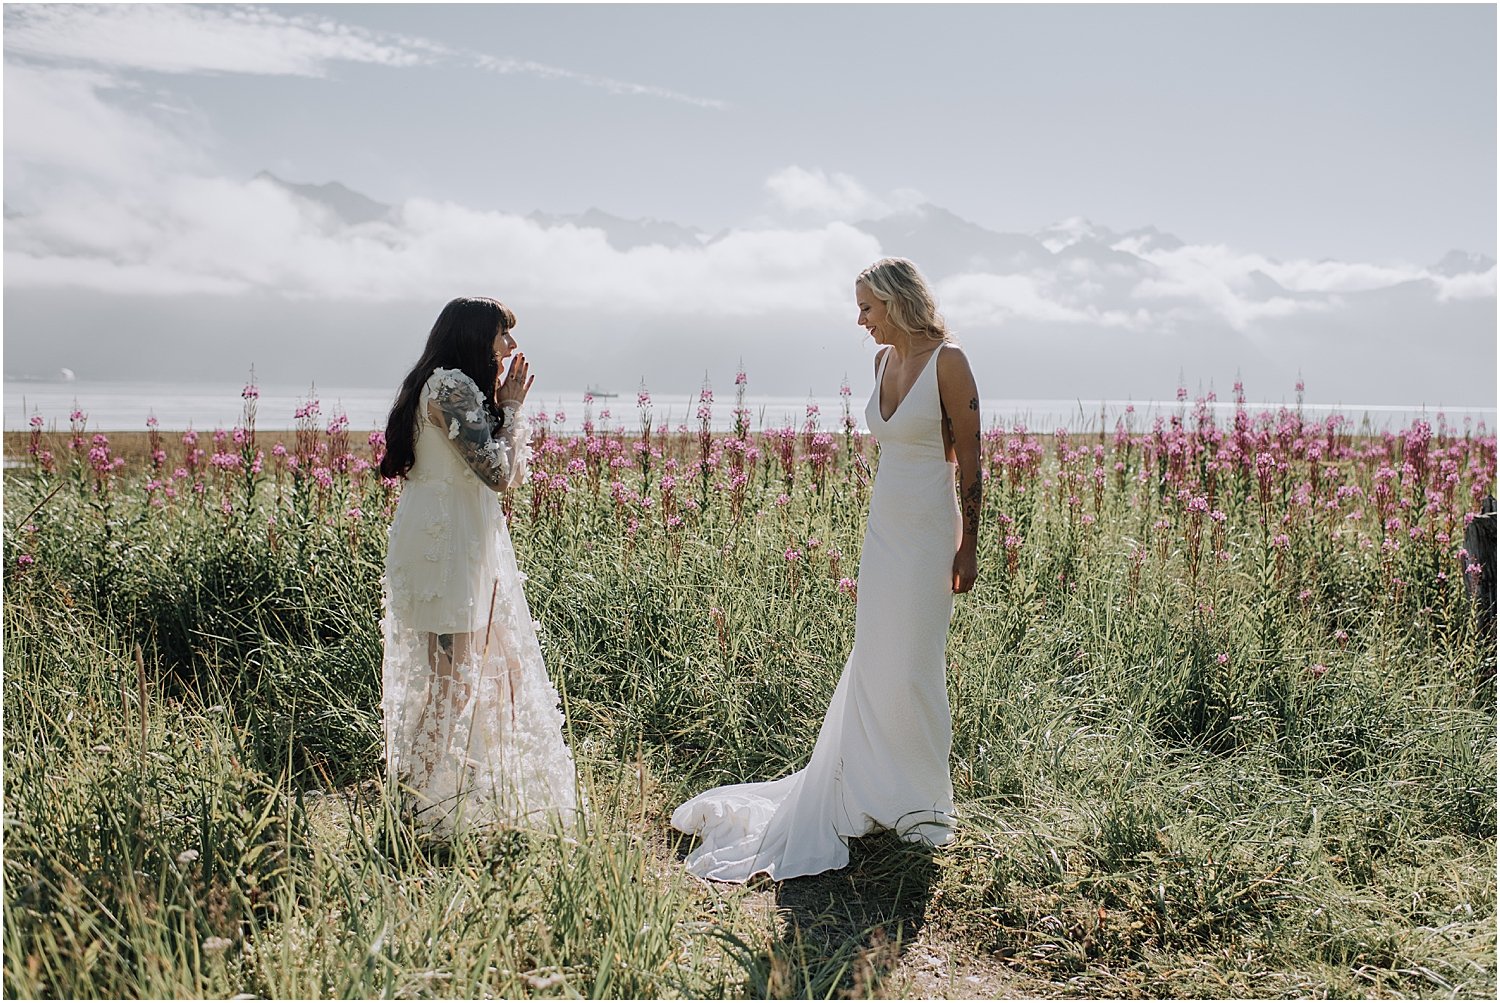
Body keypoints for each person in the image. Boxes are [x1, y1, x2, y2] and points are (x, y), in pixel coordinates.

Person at [672, 257, 982, 881]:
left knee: (916, 666)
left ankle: (922, 805)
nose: (861, 319)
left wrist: (968, 543)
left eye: (867, 306)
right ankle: (875, 792)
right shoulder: (880, 363)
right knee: (875, 661)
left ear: (897, 302)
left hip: (926, 537)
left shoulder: (949, 361)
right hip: (883, 534)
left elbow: (972, 455)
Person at [378, 296, 578, 838]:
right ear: (473, 338)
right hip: (447, 550)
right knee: (452, 685)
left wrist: (503, 407)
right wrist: (511, 408)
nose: (510, 348)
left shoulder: (439, 385)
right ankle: (408, 809)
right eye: (502, 335)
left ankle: (434, 797)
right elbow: (497, 472)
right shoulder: (449, 387)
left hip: (446, 540)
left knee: (462, 677)